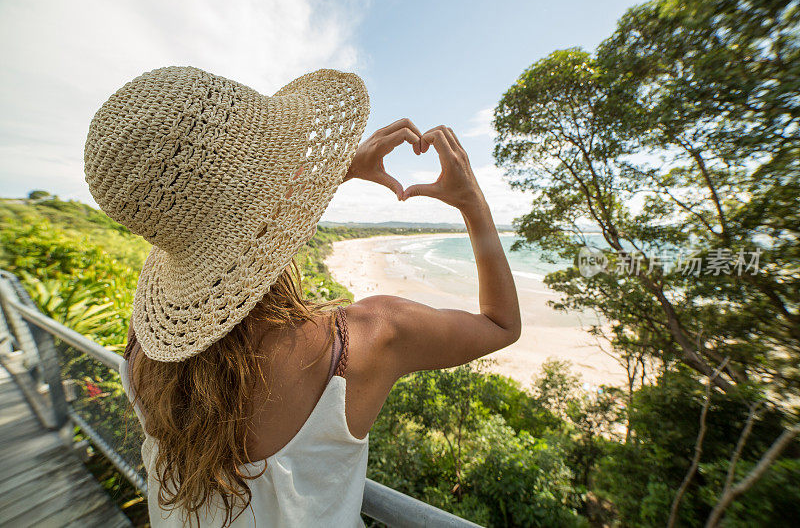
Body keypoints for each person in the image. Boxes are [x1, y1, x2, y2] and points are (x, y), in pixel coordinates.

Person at [84, 66, 520, 527]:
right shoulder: (365, 339)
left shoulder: (145, 348)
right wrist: (473, 202)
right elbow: (501, 324)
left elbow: (234, 228)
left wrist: (333, 173)